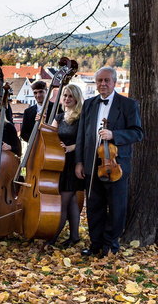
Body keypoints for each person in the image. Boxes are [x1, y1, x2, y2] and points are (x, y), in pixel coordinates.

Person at [75, 67, 143, 258]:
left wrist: (115, 134)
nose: (103, 84)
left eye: (106, 81)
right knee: (94, 206)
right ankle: (95, 244)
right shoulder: (89, 104)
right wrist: (79, 162)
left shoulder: (128, 104)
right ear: (95, 83)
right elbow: (82, 135)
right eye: (99, 81)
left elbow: (137, 133)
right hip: (92, 163)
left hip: (116, 165)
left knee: (116, 207)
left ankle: (110, 245)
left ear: (114, 82)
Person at [44, 84, 84, 247]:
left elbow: (83, 140)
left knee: (63, 203)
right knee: (72, 201)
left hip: (73, 163)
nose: (67, 99)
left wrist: (70, 148)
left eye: (70, 96)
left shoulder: (81, 117)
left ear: (76, 98)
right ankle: (74, 236)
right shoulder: (59, 117)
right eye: (65, 96)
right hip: (59, 163)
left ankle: (52, 238)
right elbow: (50, 135)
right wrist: (41, 122)